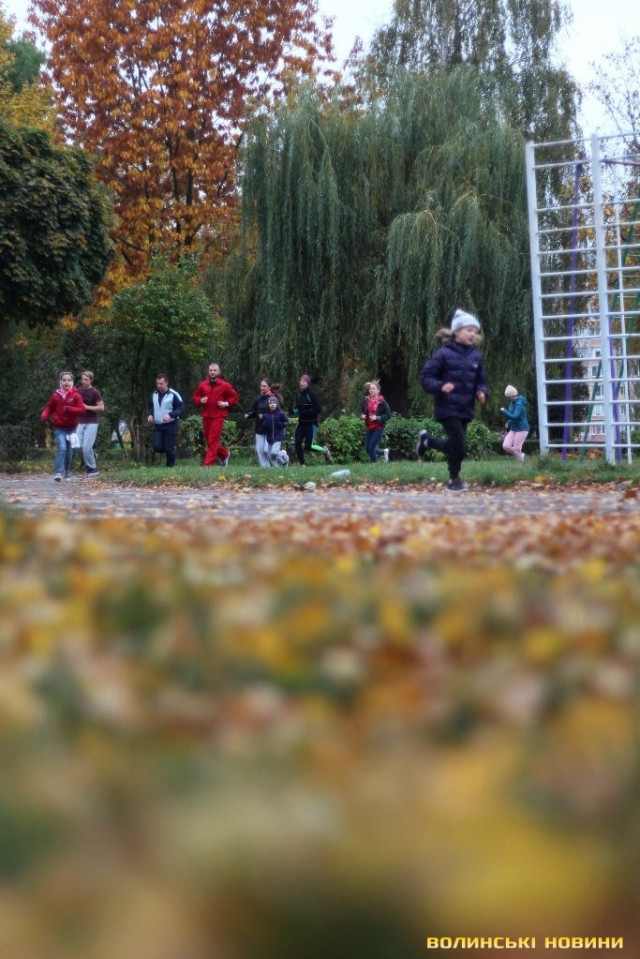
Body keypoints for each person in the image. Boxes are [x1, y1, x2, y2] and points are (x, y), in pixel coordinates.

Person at [417, 308, 489, 491]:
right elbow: (426, 377)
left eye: (475, 331)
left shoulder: (476, 356)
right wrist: (441, 386)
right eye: (469, 330)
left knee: (457, 445)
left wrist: (481, 392)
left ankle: (427, 442)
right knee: (459, 444)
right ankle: (453, 480)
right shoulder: (443, 354)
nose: (473, 334)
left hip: (465, 408)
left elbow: (481, 380)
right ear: (456, 331)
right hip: (446, 407)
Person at [40, 371, 86, 481]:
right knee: (62, 447)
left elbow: (82, 410)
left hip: (71, 429)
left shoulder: (76, 395)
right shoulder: (56, 396)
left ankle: (67, 472)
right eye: (64, 380)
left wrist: (69, 409)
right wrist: (44, 415)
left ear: (72, 382)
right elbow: (49, 408)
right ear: (60, 382)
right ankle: (58, 473)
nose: (66, 382)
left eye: (69, 380)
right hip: (59, 427)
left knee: (69, 451)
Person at [192, 362, 239, 467]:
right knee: (210, 441)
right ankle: (224, 454)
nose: (212, 372)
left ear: (219, 372)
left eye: (215, 370)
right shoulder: (203, 385)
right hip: (206, 416)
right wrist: (200, 400)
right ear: (208, 372)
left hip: (218, 416)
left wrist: (226, 403)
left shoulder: (225, 385)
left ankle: (207, 465)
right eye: (211, 370)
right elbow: (195, 397)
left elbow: (234, 397)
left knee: (213, 440)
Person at [291, 374, 330, 465]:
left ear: (308, 383)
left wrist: (308, 412)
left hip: (311, 424)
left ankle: (324, 450)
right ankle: (302, 465)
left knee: (308, 446)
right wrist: (292, 411)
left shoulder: (312, 394)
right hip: (301, 423)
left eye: (304, 381)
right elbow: (298, 409)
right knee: (297, 443)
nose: (301, 383)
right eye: (301, 380)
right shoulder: (298, 394)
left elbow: (319, 409)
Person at [147, 373, 184, 467]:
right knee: (157, 447)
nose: (159, 385)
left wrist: (171, 414)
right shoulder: (154, 394)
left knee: (168, 448)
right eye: (157, 383)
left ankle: (170, 467)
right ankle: (171, 449)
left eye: (161, 383)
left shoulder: (173, 394)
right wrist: (150, 415)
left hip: (171, 424)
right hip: (158, 425)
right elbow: (151, 407)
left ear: (166, 383)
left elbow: (181, 408)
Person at [243, 378, 280, 468]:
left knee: (268, 450)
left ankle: (279, 463)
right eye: (261, 386)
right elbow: (255, 411)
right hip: (259, 428)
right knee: (260, 450)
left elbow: (278, 413)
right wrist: (248, 415)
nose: (262, 388)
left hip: (270, 428)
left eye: (264, 386)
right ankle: (266, 468)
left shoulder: (273, 398)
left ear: (269, 387)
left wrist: (265, 416)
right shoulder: (258, 399)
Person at [76, 370, 104, 477]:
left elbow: (101, 407)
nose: (83, 381)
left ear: (91, 380)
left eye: (86, 379)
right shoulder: (79, 390)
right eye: (82, 379)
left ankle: (92, 469)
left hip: (92, 422)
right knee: (77, 445)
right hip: (81, 421)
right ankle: (93, 456)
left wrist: (87, 407)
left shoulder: (94, 392)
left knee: (87, 448)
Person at [360, 380, 391, 463]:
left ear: (378, 391)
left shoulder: (382, 402)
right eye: (370, 389)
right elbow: (362, 412)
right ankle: (383, 452)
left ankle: (373, 464)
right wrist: (362, 416)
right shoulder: (366, 400)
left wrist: (377, 417)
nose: (371, 390)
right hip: (369, 427)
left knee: (371, 448)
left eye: (373, 389)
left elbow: (388, 415)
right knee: (367, 449)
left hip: (378, 427)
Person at [501, 384, 529, 462]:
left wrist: (504, 411)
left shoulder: (519, 404)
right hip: (513, 428)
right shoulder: (512, 402)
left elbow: (515, 416)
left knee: (517, 448)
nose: (508, 399)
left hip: (522, 428)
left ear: (512, 395)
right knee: (506, 446)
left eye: (509, 397)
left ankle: (520, 464)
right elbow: (512, 414)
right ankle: (521, 455)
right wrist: (508, 422)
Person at [261, 395, 290, 467]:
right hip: (269, 438)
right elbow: (263, 425)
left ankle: (283, 454)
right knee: (271, 455)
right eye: (270, 403)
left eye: (274, 403)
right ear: (268, 405)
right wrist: (264, 425)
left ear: (277, 404)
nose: (272, 405)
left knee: (274, 452)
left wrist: (281, 424)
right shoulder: (266, 415)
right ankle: (284, 462)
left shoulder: (281, 414)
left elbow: (287, 422)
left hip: (278, 436)